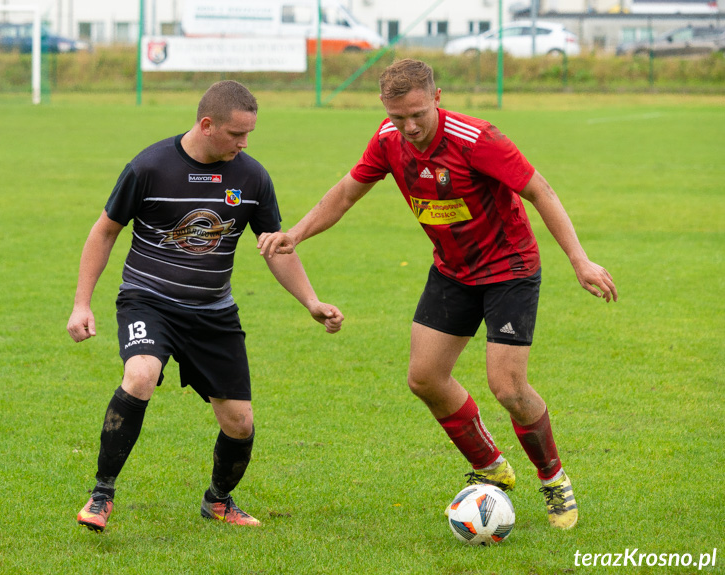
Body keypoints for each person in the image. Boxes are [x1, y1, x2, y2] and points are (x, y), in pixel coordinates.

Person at [257, 59, 617, 530]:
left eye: (417, 114)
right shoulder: (388, 141)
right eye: (397, 116)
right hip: (453, 271)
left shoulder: (478, 140)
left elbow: (541, 191)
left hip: (509, 268)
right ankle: (491, 468)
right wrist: (296, 234)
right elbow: (346, 193)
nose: (408, 127)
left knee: (507, 387)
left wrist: (579, 259)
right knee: (425, 377)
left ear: (437, 99)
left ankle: (553, 478)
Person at [68, 80, 344, 532]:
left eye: (250, 134)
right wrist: (82, 304)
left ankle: (218, 501)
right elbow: (104, 231)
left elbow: (275, 246)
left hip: (213, 312)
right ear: (207, 124)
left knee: (239, 423)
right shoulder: (149, 167)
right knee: (140, 375)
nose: (245, 143)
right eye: (237, 134)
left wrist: (311, 302)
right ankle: (101, 495)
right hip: (148, 300)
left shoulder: (252, 177)